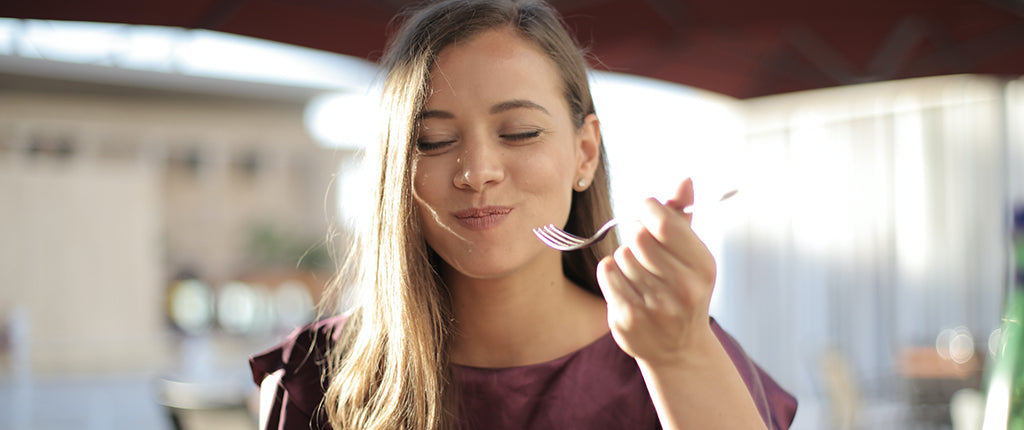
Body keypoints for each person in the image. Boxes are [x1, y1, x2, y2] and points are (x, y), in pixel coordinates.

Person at [250, 0, 797, 429]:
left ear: (585, 154)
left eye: (520, 133)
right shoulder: (320, 376)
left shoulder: (676, 348)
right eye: (434, 141)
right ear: (396, 171)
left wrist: (679, 358)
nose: (477, 171)